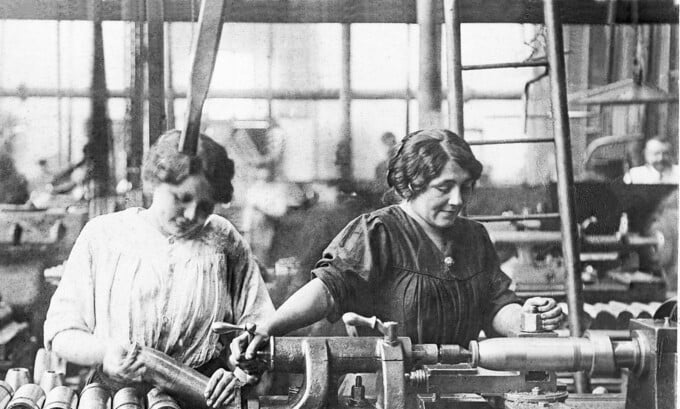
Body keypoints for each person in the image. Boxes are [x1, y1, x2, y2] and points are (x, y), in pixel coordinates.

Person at [232, 129, 564, 365]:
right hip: (387, 394)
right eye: (444, 188)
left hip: (461, 388)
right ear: (410, 186)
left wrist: (525, 319)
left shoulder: (474, 237)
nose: (458, 200)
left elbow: (496, 305)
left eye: (465, 187)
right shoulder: (379, 232)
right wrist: (269, 328)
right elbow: (327, 289)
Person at [43, 129, 274, 409]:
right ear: (155, 182)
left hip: (203, 404)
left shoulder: (222, 240)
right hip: (115, 406)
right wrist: (104, 352)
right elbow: (61, 333)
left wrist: (238, 375)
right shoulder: (104, 235)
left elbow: (261, 328)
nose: (191, 215)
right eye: (181, 198)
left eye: (204, 206)